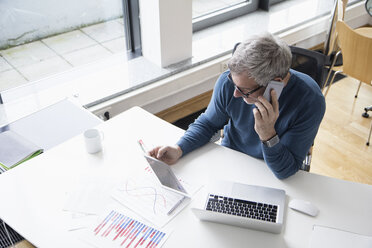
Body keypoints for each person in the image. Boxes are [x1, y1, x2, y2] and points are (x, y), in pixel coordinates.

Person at [149, 32, 326, 179]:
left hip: (272, 174)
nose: (235, 94)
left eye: (245, 90)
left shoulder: (311, 101)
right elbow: (209, 123)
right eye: (234, 84)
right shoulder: (230, 83)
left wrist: (268, 134)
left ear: (275, 84)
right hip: (232, 161)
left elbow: (285, 170)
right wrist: (179, 148)